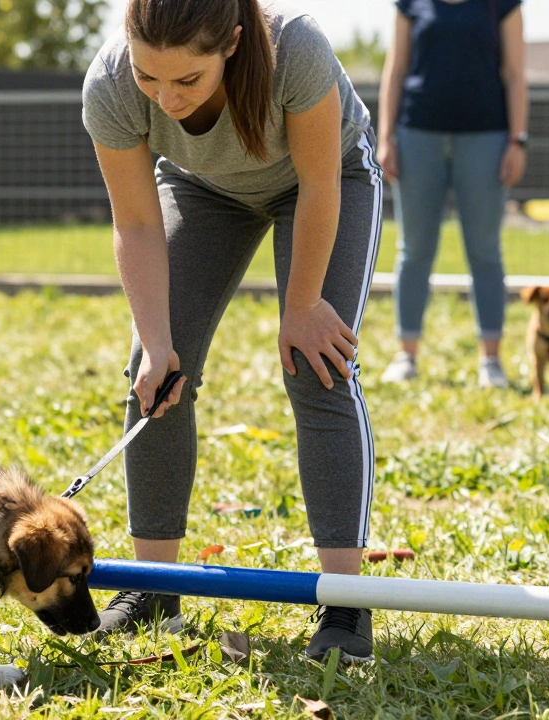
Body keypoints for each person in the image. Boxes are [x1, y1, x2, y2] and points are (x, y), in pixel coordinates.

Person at [83, 0, 381, 662]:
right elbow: (135, 225)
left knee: (316, 364)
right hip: (204, 190)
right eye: (148, 78)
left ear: (233, 44)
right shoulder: (108, 86)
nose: (166, 98)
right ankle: (151, 588)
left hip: (322, 184)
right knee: (155, 371)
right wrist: (158, 343)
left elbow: (321, 182)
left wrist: (302, 305)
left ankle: (345, 605)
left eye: (186, 82)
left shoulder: (294, 49)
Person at [378, 0, 528, 387]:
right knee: (414, 250)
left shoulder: (503, 4)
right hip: (417, 136)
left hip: (487, 137)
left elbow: (514, 73)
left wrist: (518, 140)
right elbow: (395, 70)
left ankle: (490, 362)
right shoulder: (411, 4)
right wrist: (385, 137)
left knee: (484, 250)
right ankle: (405, 355)